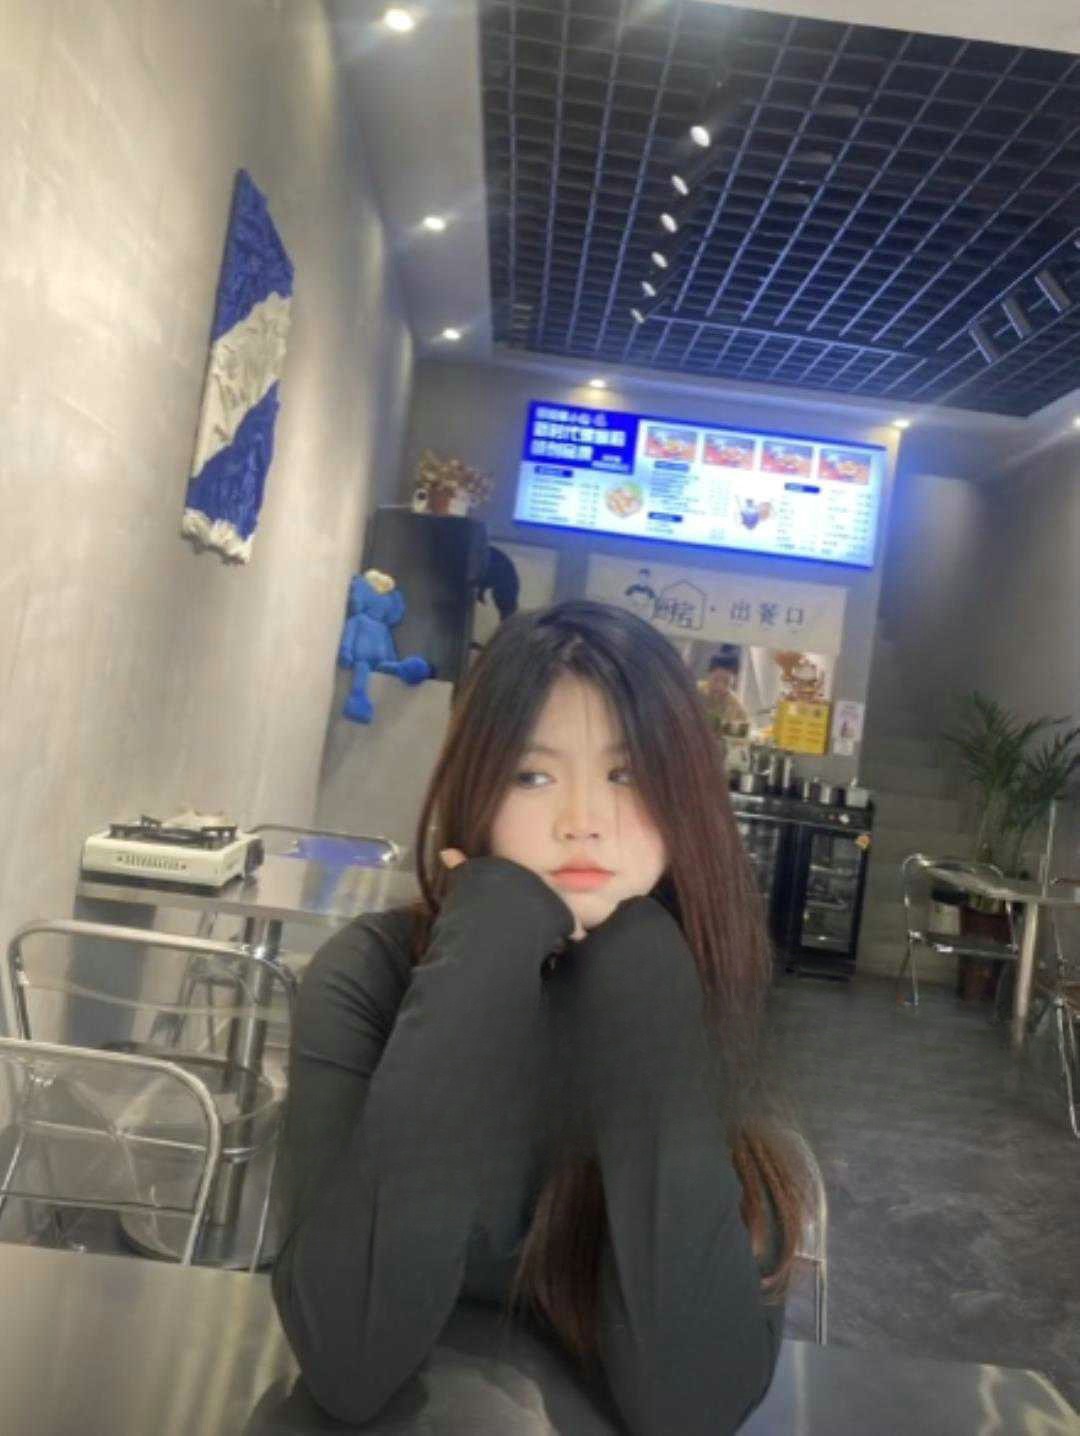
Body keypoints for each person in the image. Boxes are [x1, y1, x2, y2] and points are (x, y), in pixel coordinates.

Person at [270, 600, 813, 1434]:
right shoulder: (371, 976)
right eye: (532, 775)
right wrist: (489, 933)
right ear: (477, 794)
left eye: (627, 774)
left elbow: (693, 1405)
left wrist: (641, 970)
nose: (581, 821)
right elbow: (347, 1359)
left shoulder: (703, 984)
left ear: (685, 797)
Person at [698, 646, 750, 738]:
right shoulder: (694, 692)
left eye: (726, 682)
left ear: (733, 682)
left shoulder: (736, 707)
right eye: (715, 679)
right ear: (709, 675)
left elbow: (744, 733)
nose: (719, 686)